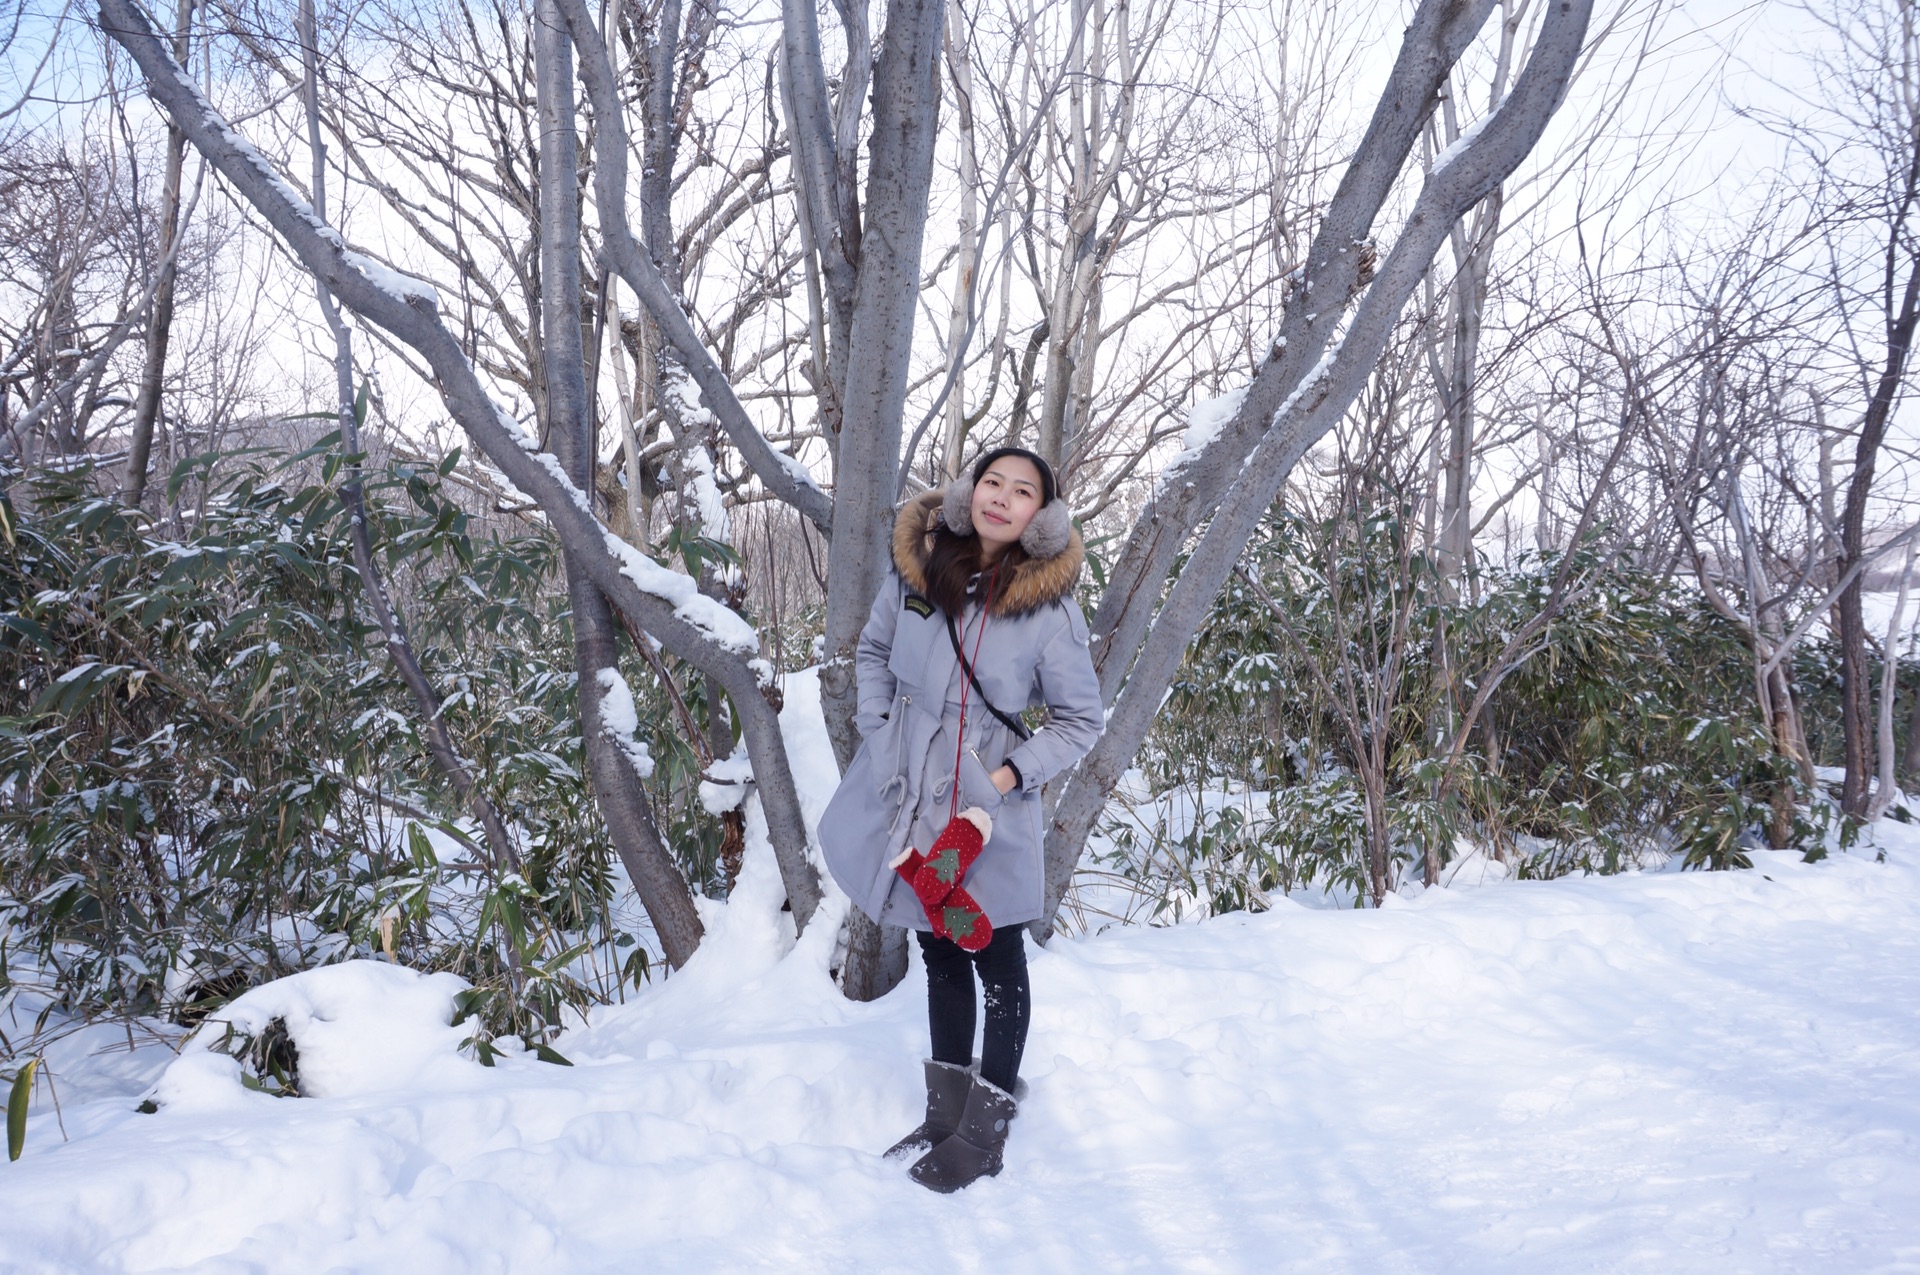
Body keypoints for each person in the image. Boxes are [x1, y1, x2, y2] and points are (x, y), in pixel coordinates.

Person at [819, 447, 1104, 1193]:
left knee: (997, 955)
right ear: (969, 490)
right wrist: (880, 732)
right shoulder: (920, 570)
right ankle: (944, 1112)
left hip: (985, 812)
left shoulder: (1051, 607)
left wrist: (1008, 776)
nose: (1002, 498)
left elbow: (1081, 719)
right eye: (992, 482)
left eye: (1022, 491)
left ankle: (987, 1127)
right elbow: (874, 652)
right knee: (939, 951)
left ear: (1041, 515)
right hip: (911, 790)